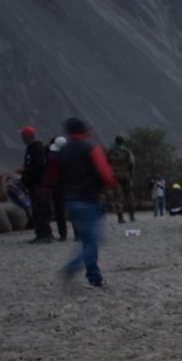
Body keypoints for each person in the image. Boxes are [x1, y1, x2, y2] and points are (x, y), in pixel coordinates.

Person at [57, 117, 116, 288]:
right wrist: (109, 183)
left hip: (69, 200)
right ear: (84, 131)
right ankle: (73, 266)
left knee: (87, 240)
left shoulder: (63, 151)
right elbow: (105, 174)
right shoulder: (91, 148)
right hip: (88, 200)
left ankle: (94, 277)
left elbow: (57, 176)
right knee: (93, 241)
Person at [18, 126, 52, 243]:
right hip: (34, 184)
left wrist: (25, 170)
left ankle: (45, 234)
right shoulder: (31, 148)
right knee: (37, 209)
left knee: (41, 209)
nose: (22, 138)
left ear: (29, 136)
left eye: (23, 135)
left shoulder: (36, 148)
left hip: (39, 184)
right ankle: (40, 233)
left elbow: (40, 166)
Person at [106, 135, 135, 223]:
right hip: (125, 175)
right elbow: (131, 163)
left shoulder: (110, 151)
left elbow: (107, 162)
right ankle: (132, 215)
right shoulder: (126, 151)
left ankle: (120, 217)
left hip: (115, 175)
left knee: (118, 196)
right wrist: (130, 172)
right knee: (129, 194)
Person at [45, 136, 68, 241]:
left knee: (59, 212)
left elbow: (50, 173)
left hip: (56, 187)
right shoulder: (69, 156)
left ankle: (63, 234)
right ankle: (78, 234)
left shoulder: (51, 157)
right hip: (69, 186)